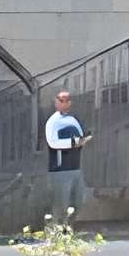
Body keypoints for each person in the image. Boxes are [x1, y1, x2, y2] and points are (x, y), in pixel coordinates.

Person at [44, 88, 86, 218]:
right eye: (61, 100)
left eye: (67, 100)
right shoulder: (53, 121)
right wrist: (73, 143)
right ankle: (58, 232)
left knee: (78, 201)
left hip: (75, 168)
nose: (64, 103)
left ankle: (69, 230)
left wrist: (82, 141)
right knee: (61, 205)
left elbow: (80, 138)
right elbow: (53, 142)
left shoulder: (73, 120)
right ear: (56, 102)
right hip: (60, 170)